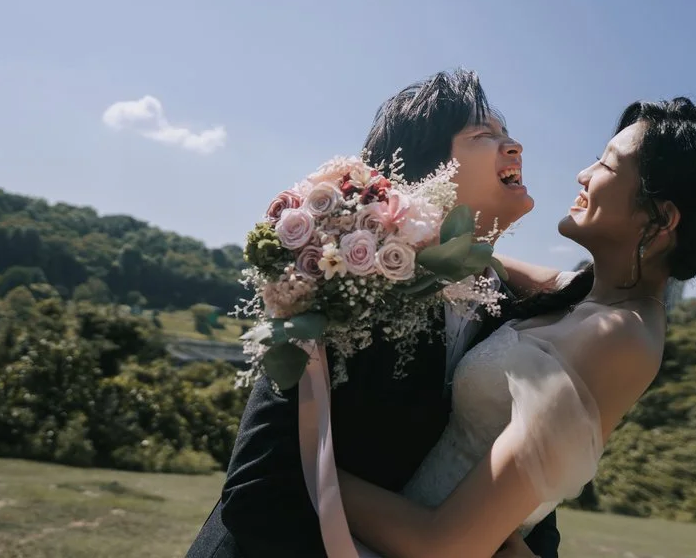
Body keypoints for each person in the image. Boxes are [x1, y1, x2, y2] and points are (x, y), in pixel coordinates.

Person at [335, 97, 696, 558]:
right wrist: (373, 223)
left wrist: (307, 467)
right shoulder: (585, 295)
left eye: (607, 165)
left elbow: (446, 546)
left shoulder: (620, 338)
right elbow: (476, 257)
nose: (584, 174)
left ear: (661, 218)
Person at [187, 71, 574, 558]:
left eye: (507, 133)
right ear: (428, 171)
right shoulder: (352, 275)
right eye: (484, 135)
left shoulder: (515, 316)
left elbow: (525, 491)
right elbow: (260, 488)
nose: (514, 146)